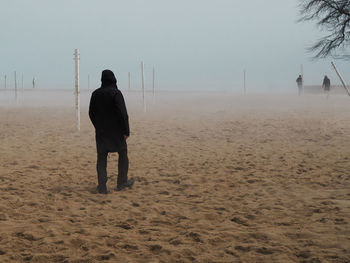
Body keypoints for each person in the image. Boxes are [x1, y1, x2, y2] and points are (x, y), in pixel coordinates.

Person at [89, 69, 134, 194]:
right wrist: (126, 131)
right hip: (117, 132)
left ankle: (102, 187)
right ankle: (122, 182)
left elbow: (91, 113)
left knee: (101, 158)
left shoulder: (95, 94)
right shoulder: (116, 93)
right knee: (123, 154)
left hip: (102, 132)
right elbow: (123, 114)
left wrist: (97, 126)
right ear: (114, 79)